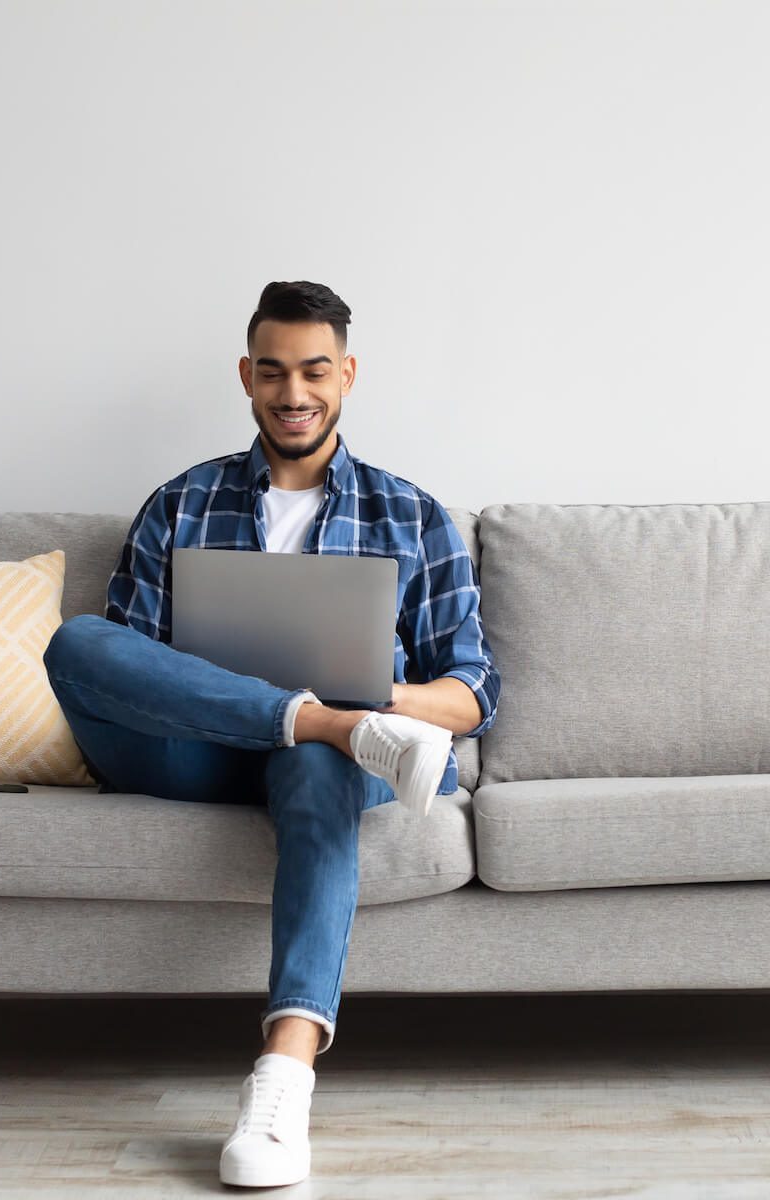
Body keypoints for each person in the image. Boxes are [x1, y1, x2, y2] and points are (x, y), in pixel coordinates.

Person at [42, 280, 501, 1188]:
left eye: (315, 370)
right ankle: (326, 722)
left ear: (348, 375)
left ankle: (282, 1080)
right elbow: (124, 666)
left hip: (334, 764)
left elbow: (475, 693)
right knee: (77, 640)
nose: (295, 392)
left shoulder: (410, 513)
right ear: (246, 376)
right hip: (194, 750)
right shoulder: (181, 501)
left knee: (319, 766)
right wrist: (331, 713)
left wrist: (386, 701)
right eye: (275, 370)